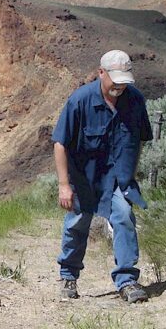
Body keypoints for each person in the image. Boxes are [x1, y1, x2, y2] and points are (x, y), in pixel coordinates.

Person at [52, 49, 153, 303]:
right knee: (77, 224)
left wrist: (130, 173)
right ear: (101, 73)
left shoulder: (136, 101)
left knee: (124, 218)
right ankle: (68, 276)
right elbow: (60, 143)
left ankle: (127, 280)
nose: (119, 85)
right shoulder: (80, 100)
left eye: (124, 80)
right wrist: (64, 185)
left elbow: (138, 140)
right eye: (115, 79)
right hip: (84, 177)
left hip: (117, 178)